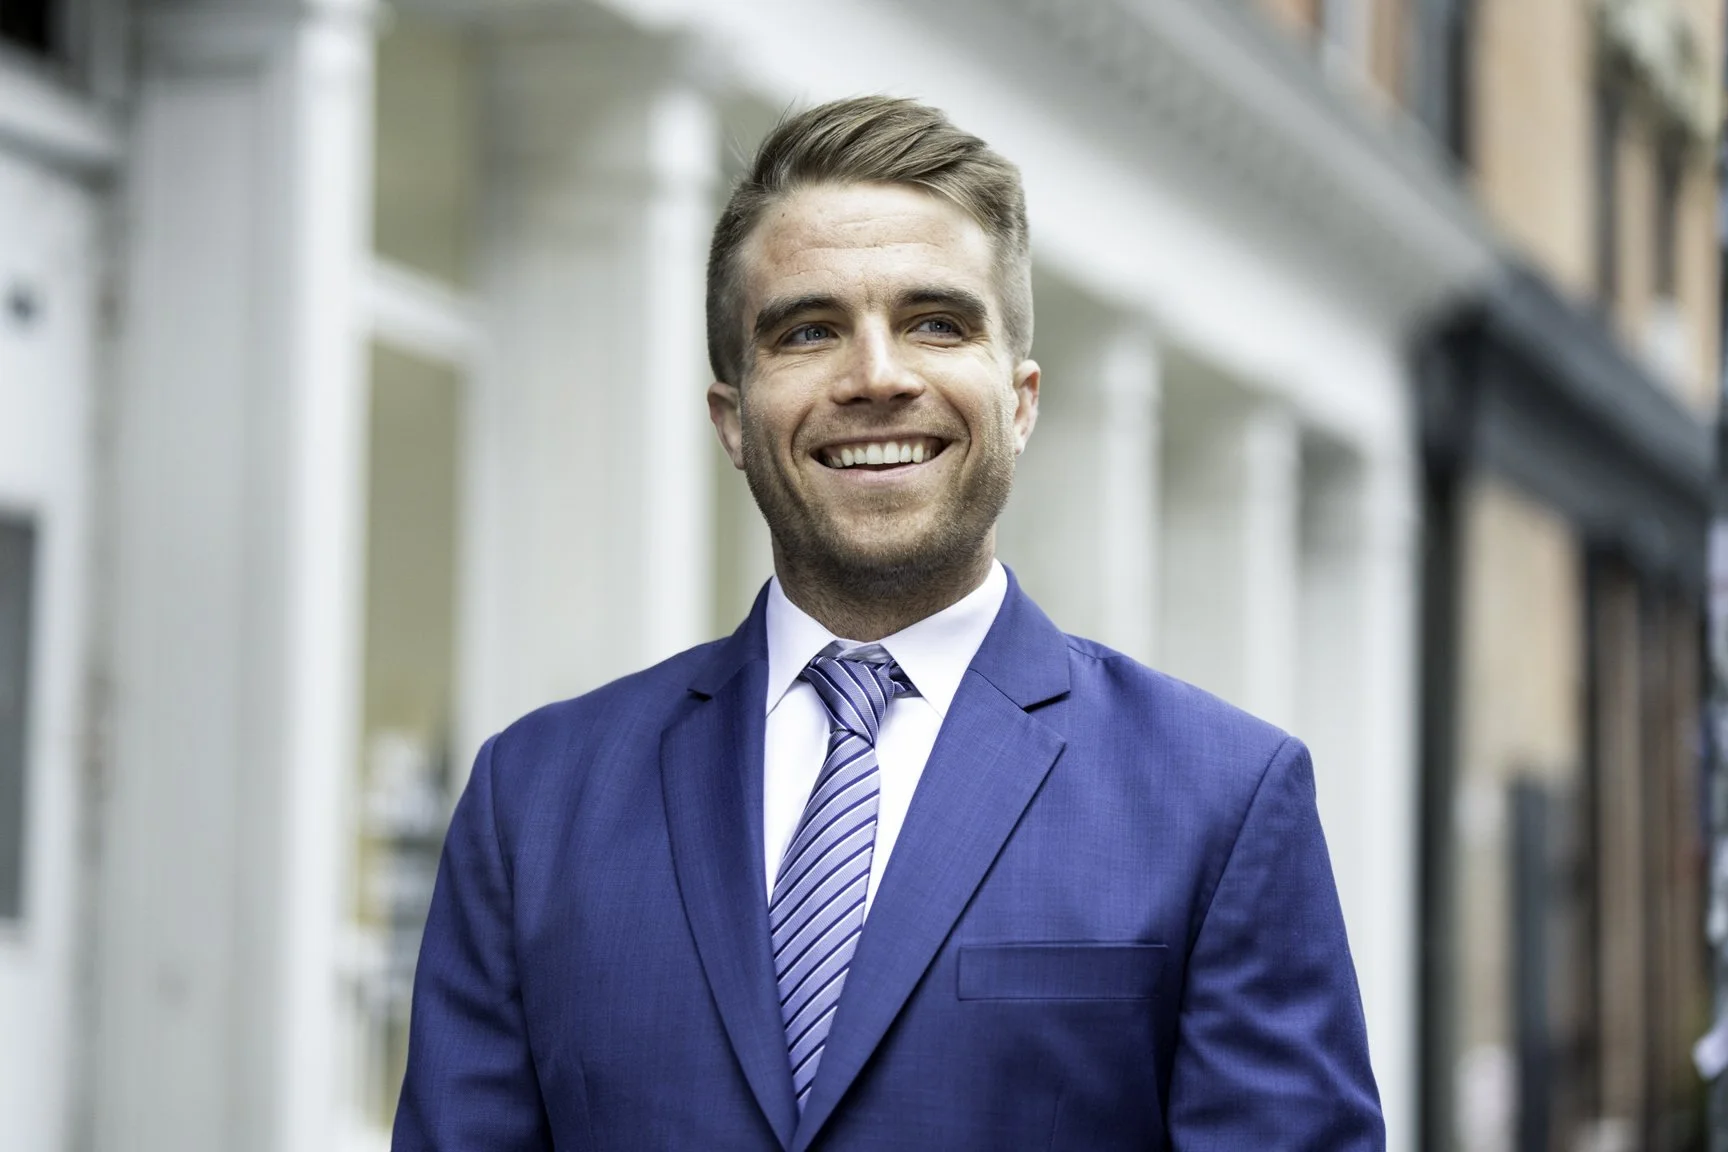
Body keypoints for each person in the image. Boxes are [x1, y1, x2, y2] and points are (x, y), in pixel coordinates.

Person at [394, 95, 1384, 1151]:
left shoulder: (1220, 804)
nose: (876, 376)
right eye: (809, 330)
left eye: (937, 323)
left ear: (1022, 398)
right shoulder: (534, 800)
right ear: (733, 418)